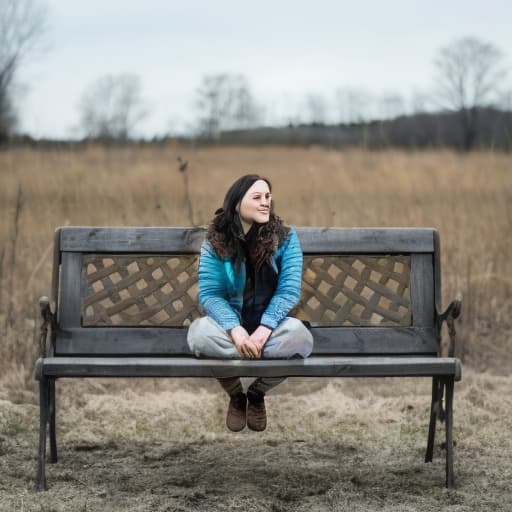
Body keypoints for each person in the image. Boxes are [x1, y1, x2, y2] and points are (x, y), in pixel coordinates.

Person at [187, 174, 314, 432]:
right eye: (257, 197)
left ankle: (256, 393)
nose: (265, 202)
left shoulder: (286, 238)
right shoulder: (216, 241)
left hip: (271, 331)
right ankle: (236, 394)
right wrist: (236, 331)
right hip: (230, 330)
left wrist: (263, 330)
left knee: (300, 338)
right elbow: (211, 294)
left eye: (267, 197)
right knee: (199, 335)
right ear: (236, 203)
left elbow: (288, 290)